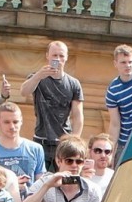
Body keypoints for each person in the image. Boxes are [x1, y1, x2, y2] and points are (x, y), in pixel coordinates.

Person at [20, 40, 84, 168]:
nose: (58, 59)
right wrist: (38, 76)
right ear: (47, 56)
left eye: (61, 56)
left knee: (63, 179)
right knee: (39, 179)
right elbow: (23, 92)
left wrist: (75, 140)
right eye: (54, 55)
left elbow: (78, 115)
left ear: (66, 58)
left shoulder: (73, 83)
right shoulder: (37, 78)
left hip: (62, 142)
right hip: (40, 140)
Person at [84, 133, 116, 197]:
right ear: (90, 152)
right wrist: (80, 179)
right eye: (98, 151)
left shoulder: (115, 176)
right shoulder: (79, 174)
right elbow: (61, 181)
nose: (103, 155)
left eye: (107, 152)